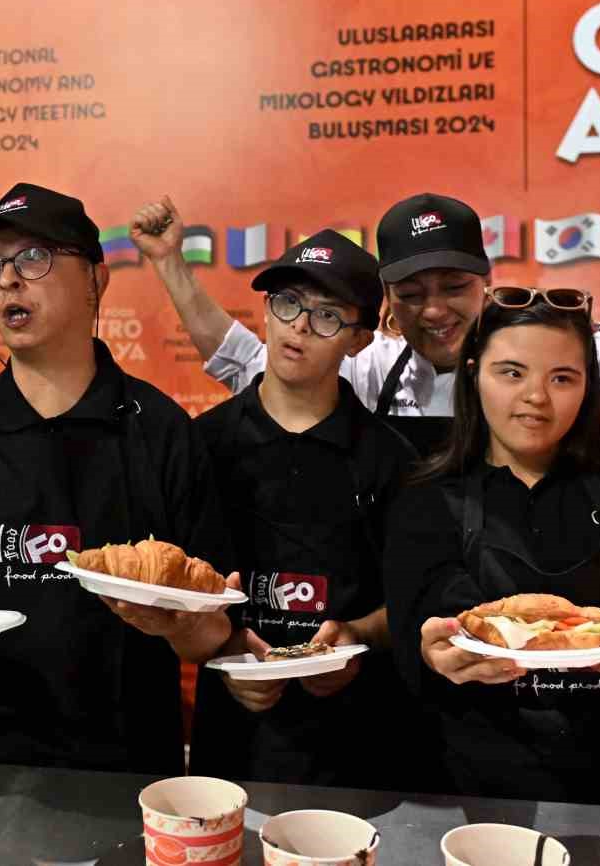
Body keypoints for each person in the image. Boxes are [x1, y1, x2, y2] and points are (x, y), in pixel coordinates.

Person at [0, 183, 233, 775]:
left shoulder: (163, 434)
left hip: (120, 774)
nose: (7, 280)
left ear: (96, 281)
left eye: (34, 258)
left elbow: (214, 629)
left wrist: (182, 626)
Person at [131, 146, 600, 452]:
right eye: (411, 293)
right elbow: (247, 366)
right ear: (386, 304)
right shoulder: (373, 369)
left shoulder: (561, 354)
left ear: (486, 283)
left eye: (453, 288)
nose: (434, 310)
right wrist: (170, 265)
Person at [383, 287, 600, 804]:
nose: (536, 396)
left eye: (562, 378)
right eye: (512, 373)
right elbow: (425, 633)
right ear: (473, 375)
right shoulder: (428, 500)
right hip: (469, 790)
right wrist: (436, 649)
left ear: (588, 386)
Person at [190, 231, 418, 789]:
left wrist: (358, 634)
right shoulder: (201, 445)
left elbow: (419, 598)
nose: (300, 326)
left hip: (358, 745)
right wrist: (226, 645)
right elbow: (176, 591)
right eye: (288, 302)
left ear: (359, 340)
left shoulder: (392, 460)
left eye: (327, 315)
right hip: (232, 741)